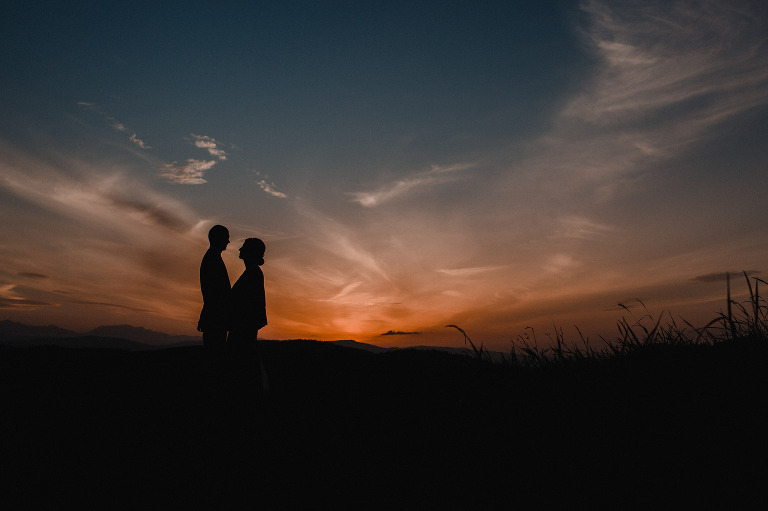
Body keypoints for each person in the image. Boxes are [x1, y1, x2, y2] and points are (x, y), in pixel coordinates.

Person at [228, 237, 269, 392]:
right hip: (243, 329)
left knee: (244, 369)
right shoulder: (252, 273)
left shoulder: (253, 274)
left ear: (251, 252)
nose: (240, 250)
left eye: (244, 247)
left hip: (243, 330)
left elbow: (252, 305)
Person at [197, 225, 231, 352]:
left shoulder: (212, 257)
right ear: (218, 238)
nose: (228, 242)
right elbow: (213, 293)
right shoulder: (213, 259)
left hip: (214, 317)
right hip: (216, 319)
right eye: (226, 238)